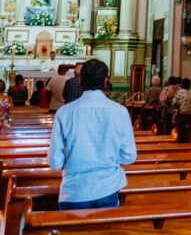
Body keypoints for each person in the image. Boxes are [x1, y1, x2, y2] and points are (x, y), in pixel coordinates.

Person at [48, 59, 137, 210]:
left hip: (73, 191)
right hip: (108, 188)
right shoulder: (120, 112)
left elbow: (55, 161)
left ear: (81, 79)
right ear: (105, 80)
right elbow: (129, 157)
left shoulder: (64, 112)